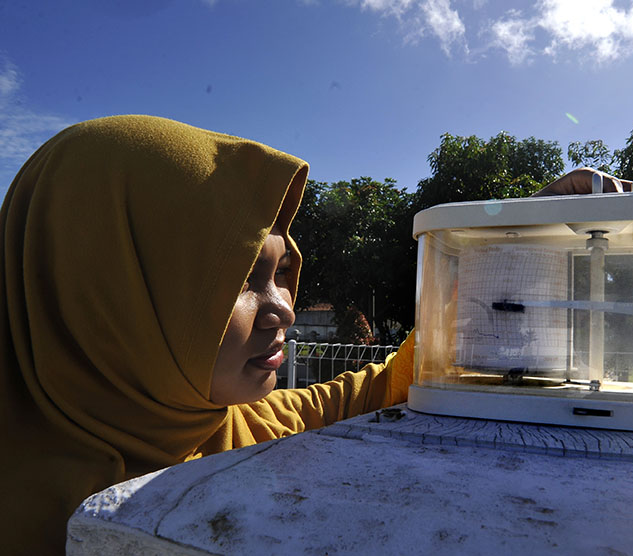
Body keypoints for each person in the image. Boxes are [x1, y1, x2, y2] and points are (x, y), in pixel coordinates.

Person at [0, 115, 413, 554]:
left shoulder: (228, 425)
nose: (284, 310)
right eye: (237, 278)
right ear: (105, 293)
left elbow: (350, 398)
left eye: (283, 271)